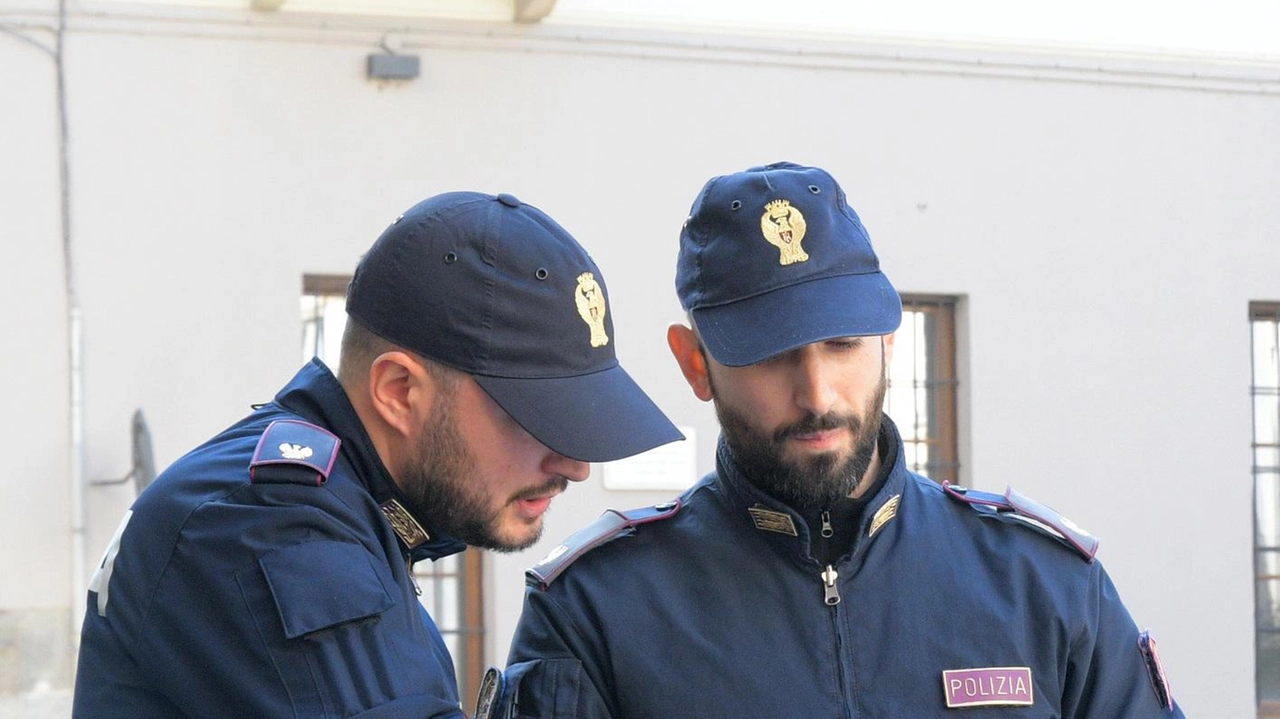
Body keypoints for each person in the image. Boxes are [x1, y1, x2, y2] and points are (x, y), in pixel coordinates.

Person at [495, 162, 1183, 718]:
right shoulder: (596, 609)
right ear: (694, 363)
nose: (818, 394)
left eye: (843, 342)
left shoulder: (1046, 585)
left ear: (888, 340)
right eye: (770, 354)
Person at [71, 191, 683, 718]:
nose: (575, 465)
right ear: (399, 391)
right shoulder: (271, 526)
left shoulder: (343, 508)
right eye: (539, 418)